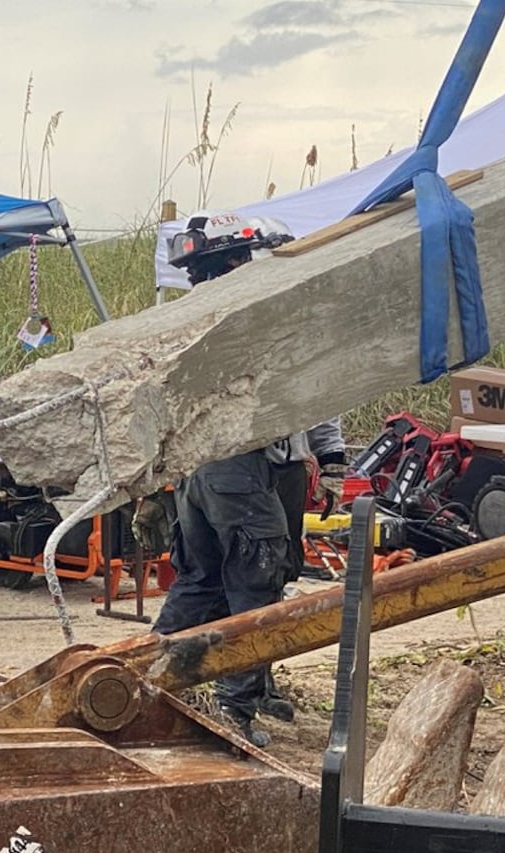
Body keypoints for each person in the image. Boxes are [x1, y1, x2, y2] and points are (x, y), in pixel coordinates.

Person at [153, 210, 347, 748]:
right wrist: (330, 459)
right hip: (240, 469)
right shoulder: (257, 318)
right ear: (241, 260)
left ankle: (157, 679)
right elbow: (314, 384)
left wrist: (327, 458)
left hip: (214, 471)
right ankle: (229, 708)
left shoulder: (193, 320)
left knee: (207, 579)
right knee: (255, 584)